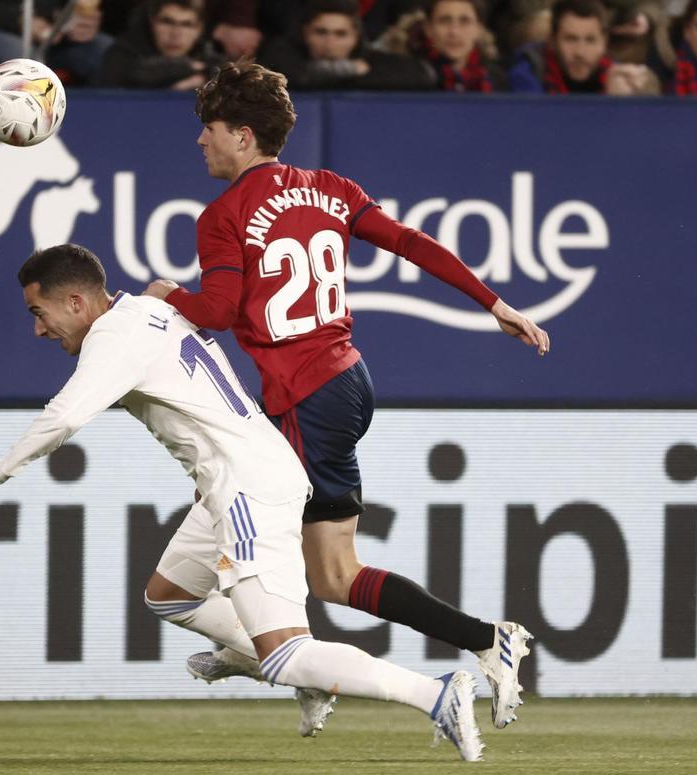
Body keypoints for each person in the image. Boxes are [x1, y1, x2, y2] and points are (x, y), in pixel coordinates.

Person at [0, 243, 485, 761]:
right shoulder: (146, 311)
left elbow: (66, 416)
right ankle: (294, 668)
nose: (37, 329)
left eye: (38, 312)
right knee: (170, 596)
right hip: (239, 479)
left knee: (285, 654)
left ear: (75, 302)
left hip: (245, 488)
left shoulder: (114, 335)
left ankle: (436, 695)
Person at [142, 61, 546, 734]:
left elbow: (215, 309)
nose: (200, 142)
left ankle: (297, 662)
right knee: (318, 572)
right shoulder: (331, 189)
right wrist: (495, 302)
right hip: (344, 382)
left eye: (208, 128)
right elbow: (412, 244)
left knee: (299, 567)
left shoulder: (224, 215)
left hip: (301, 393)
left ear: (242, 136)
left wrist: (164, 295)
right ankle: (311, 659)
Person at [259, 0, 433, 91]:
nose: (330, 43)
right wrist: (348, 70)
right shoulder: (280, 53)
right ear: (305, 33)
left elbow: (423, 75)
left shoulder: (370, 60)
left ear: (356, 37)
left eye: (340, 34)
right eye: (321, 32)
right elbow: (288, 76)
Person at [510, 0, 659, 94]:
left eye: (590, 40)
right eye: (570, 39)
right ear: (552, 41)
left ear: (604, 42)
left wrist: (624, 102)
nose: (580, 52)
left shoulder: (619, 77)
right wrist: (610, 105)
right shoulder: (529, 72)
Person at [382, 0, 508, 91]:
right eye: (445, 21)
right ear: (428, 29)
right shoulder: (405, 78)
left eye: (464, 21)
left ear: (479, 29)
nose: (454, 32)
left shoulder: (497, 80)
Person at [98, 0, 224, 89]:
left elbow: (223, 73)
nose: (176, 33)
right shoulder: (123, 51)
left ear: (199, 29)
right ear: (152, 22)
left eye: (187, 25)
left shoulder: (208, 53)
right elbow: (130, 73)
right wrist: (192, 68)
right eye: (167, 22)